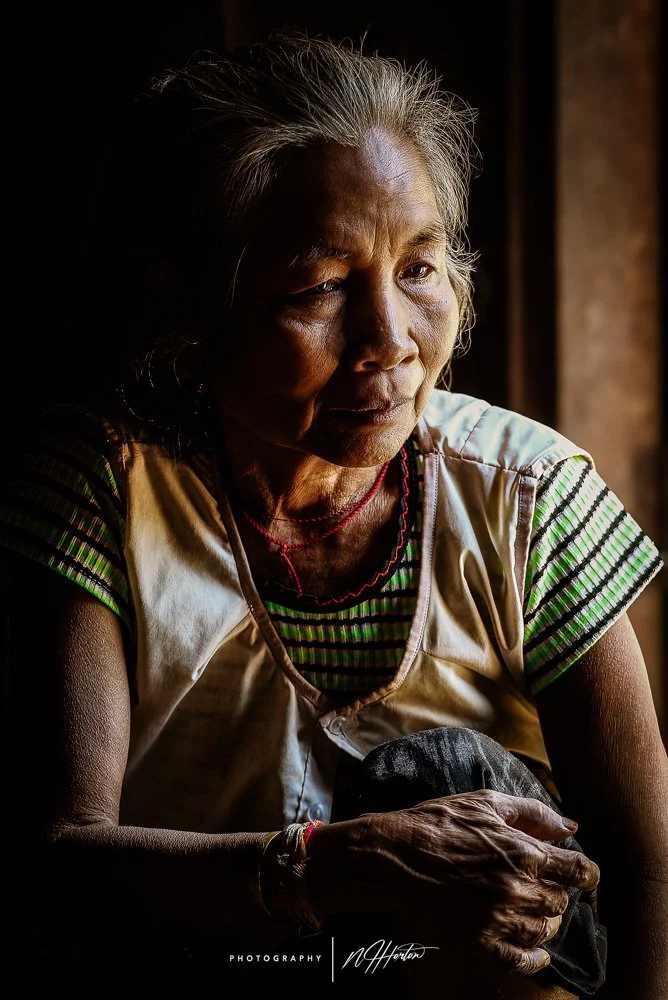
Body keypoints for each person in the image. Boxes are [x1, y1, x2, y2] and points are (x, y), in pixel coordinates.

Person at [2, 30, 666, 1000]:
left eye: (418, 270)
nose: (388, 343)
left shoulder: (526, 493)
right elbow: (54, 853)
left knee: (444, 772)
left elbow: (642, 864)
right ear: (193, 316)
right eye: (317, 287)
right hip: (213, 970)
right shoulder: (106, 486)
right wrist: (325, 865)